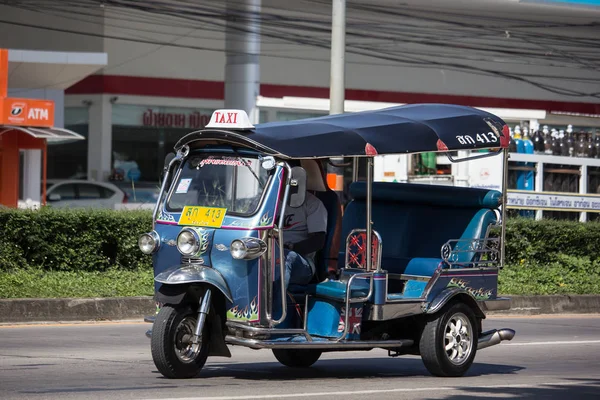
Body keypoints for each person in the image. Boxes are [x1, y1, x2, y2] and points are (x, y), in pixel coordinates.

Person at [273, 173, 328, 317]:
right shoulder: (269, 202)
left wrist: (290, 247)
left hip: (302, 262)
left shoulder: (313, 204)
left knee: (284, 258)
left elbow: (318, 241)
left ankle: (274, 316)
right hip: (269, 255)